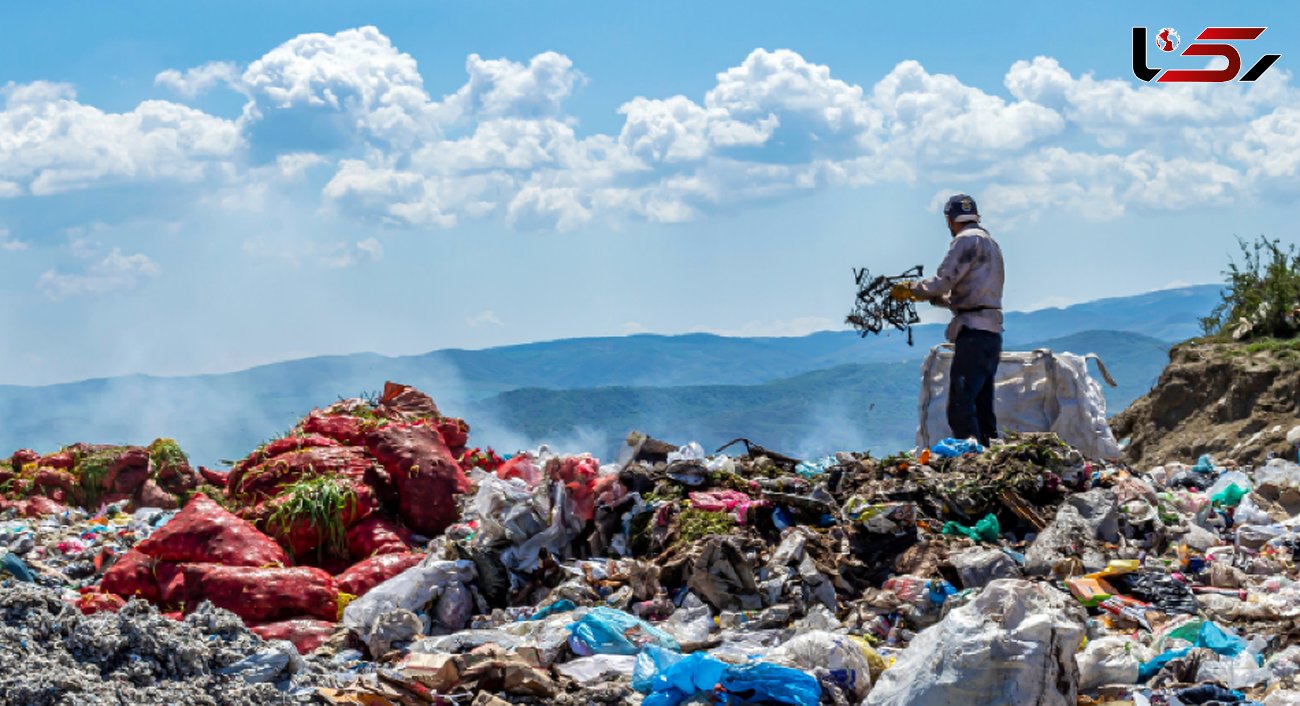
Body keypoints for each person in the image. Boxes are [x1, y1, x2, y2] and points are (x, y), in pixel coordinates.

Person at [892, 194, 1005, 446]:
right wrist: (937, 299)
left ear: (950, 219)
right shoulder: (991, 243)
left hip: (973, 332)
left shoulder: (965, 242)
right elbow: (971, 293)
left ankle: (971, 456)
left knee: (960, 404)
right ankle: (991, 453)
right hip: (992, 334)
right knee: (983, 404)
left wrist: (912, 289)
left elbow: (943, 280)